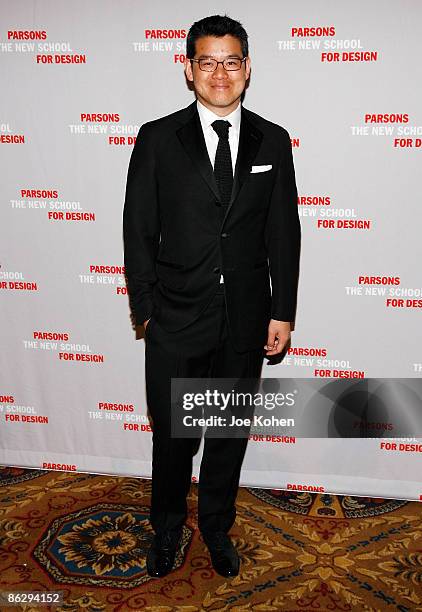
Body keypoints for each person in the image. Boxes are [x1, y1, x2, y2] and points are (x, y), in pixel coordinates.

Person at [123, 14, 301, 578]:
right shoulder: (157, 137)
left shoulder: (273, 139)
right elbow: (137, 227)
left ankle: (216, 528)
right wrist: (147, 307)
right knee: (175, 439)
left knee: (227, 436)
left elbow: (284, 230)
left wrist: (283, 311)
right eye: (207, 61)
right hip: (175, 318)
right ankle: (168, 528)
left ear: (247, 68)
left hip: (246, 321)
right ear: (188, 68)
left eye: (230, 61)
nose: (219, 73)